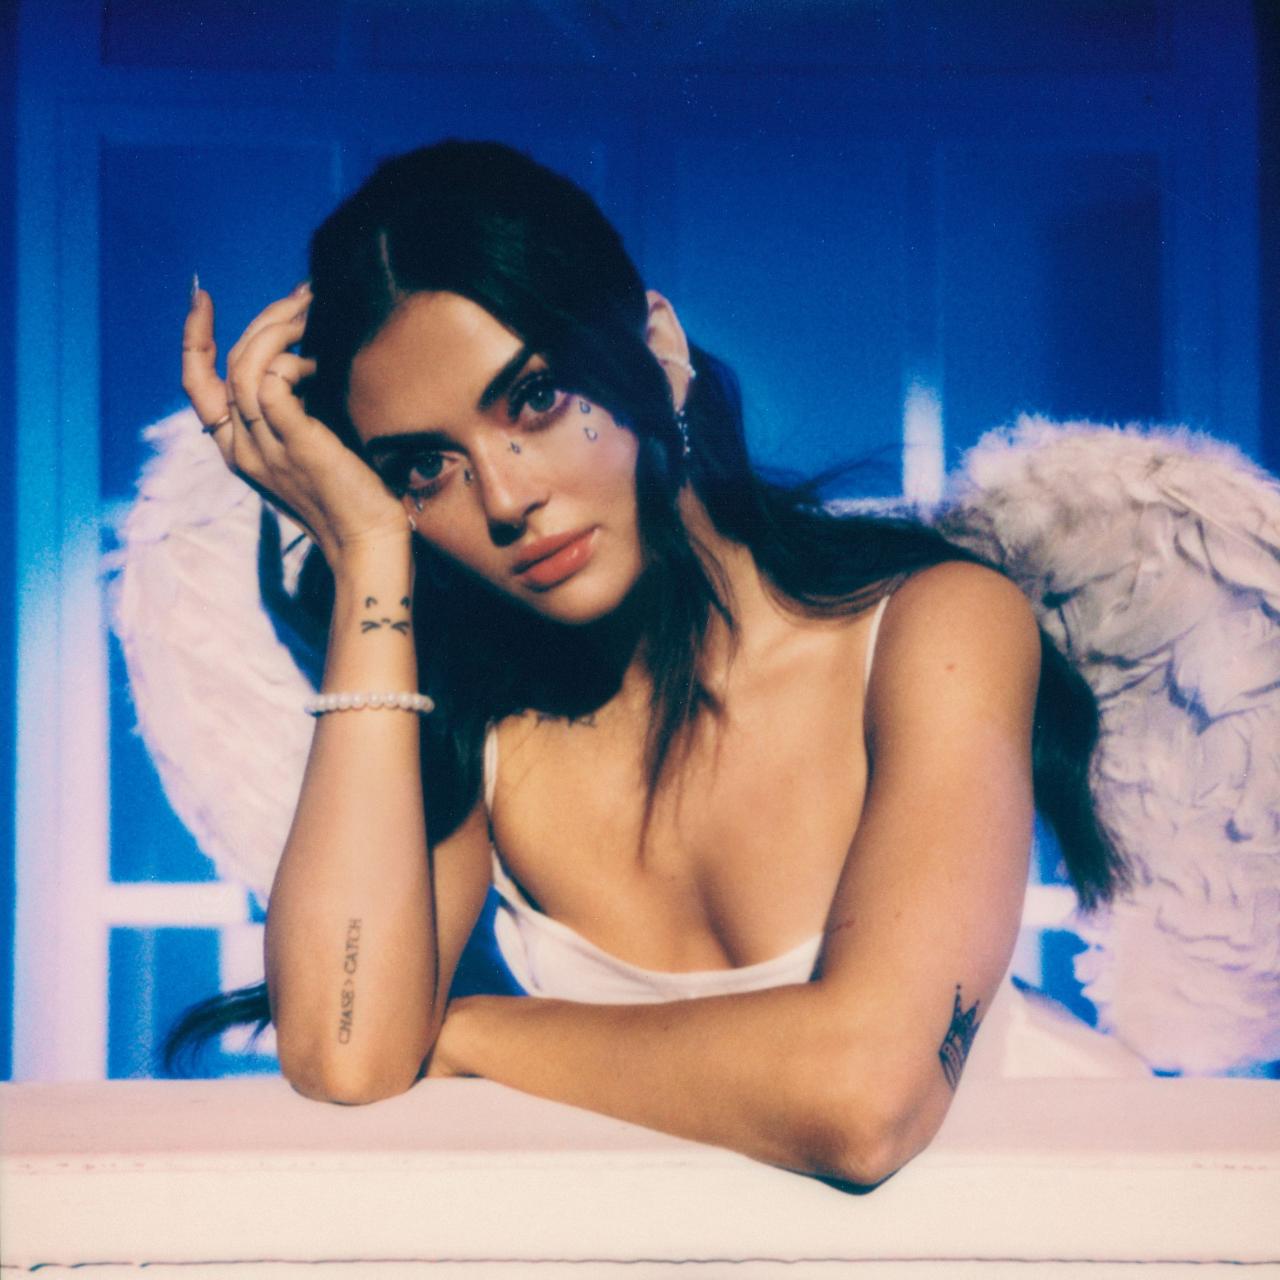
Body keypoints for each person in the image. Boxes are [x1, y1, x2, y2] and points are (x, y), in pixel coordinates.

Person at [170, 139, 1125, 1187]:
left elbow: (864, 1101)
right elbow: (346, 1055)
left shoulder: (932, 628)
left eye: (534, 397)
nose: (505, 497)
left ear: (657, 348)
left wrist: (468, 1031)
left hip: (1055, 1214)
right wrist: (366, 551)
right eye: (423, 467)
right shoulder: (480, 723)